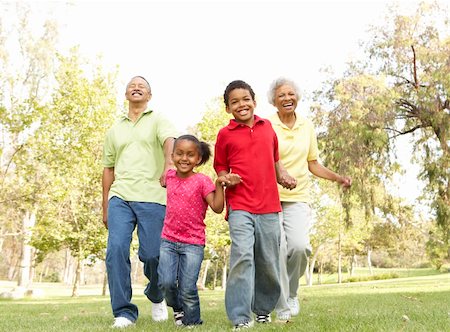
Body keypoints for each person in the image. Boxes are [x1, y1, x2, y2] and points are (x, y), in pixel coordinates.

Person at [213, 80, 296, 330]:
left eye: (245, 99)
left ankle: (262, 309)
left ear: (254, 101)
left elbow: (275, 159)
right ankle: (240, 316)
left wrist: (283, 175)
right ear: (228, 108)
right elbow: (219, 166)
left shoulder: (267, 127)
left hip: (269, 205)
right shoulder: (225, 134)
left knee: (268, 260)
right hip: (239, 205)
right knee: (242, 257)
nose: (241, 104)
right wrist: (225, 178)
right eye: (234, 102)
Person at [267, 77, 352, 321]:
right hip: (271, 197)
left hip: (298, 195)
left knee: (299, 246)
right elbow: (263, 159)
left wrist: (337, 178)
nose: (287, 98)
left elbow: (312, 163)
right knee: (278, 250)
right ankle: (279, 300)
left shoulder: (307, 126)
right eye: (281, 95)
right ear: (274, 100)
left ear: (298, 97)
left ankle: (292, 293)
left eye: (291, 94)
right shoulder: (266, 125)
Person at [102, 76, 178, 328]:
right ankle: (124, 312)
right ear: (126, 95)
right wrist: (105, 205)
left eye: (142, 86)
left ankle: (156, 295)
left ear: (150, 95)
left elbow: (170, 141)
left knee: (153, 254)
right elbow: (108, 169)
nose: (136, 88)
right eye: (131, 86)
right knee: (115, 250)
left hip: (153, 196)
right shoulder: (115, 129)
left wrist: (168, 164)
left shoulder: (158, 119)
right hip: (120, 197)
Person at [158, 134, 241, 328]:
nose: (184, 158)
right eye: (179, 154)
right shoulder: (169, 176)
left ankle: (192, 321)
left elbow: (218, 207)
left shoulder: (202, 181)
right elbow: (163, 180)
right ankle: (178, 309)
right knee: (166, 283)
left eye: (190, 155)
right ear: (172, 156)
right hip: (168, 240)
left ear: (198, 159)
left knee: (187, 287)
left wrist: (221, 185)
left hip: (193, 242)